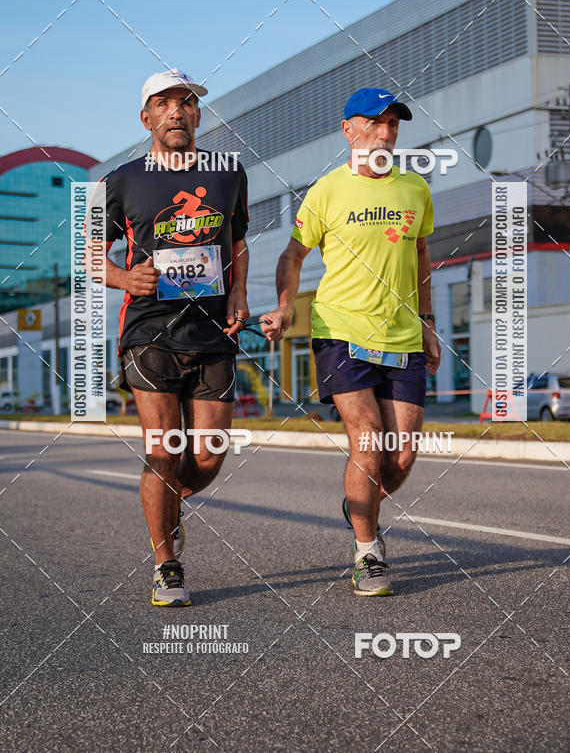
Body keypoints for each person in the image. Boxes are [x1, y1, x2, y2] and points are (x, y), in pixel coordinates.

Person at [261, 87, 440, 596]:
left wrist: (427, 323)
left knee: (400, 456)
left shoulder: (415, 189)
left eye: (394, 124)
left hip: (402, 333)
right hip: (340, 331)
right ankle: (367, 552)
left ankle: (359, 506)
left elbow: (422, 257)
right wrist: (283, 306)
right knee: (367, 440)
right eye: (375, 122)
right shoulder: (327, 191)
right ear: (348, 130)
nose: (386, 132)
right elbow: (292, 255)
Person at [96, 68, 249, 606]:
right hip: (149, 333)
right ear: (147, 117)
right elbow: (87, 253)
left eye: (186, 103)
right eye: (165, 104)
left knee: (208, 455)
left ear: (198, 115)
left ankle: (168, 506)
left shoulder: (228, 172)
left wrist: (237, 293)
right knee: (162, 451)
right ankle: (167, 565)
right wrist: (121, 276)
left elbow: (236, 238)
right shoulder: (122, 180)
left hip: (211, 332)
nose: (177, 112)